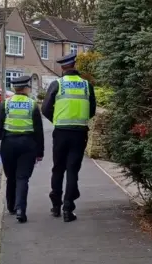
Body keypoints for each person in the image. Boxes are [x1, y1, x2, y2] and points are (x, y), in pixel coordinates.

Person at [41, 53, 96, 222]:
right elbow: (92, 110)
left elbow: (45, 108)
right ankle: (68, 209)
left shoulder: (57, 84)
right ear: (75, 65)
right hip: (79, 133)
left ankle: (56, 206)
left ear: (62, 68)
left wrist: (57, 120)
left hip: (61, 133)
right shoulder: (87, 85)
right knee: (72, 170)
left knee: (58, 168)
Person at [0, 76, 44, 223]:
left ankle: (11, 206)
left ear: (14, 89)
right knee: (22, 178)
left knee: (11, 177)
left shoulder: (6, 104)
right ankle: (21, 210)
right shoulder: (32, 105)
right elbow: (39, 131)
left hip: (9, 145)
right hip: (28, 145)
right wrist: (40, 152)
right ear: (26, 88)